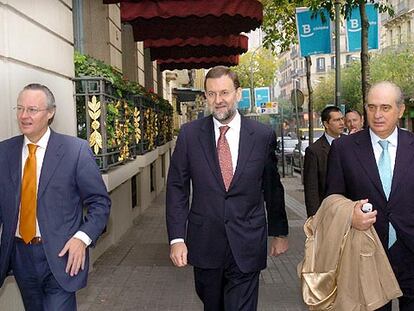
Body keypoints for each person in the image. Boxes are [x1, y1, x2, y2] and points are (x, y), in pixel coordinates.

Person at [166, 66, 289, 311]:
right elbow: (177, 188)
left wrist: (279, 232)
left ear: (238, 93)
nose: (218, 100)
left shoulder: (262, 135)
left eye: (224, 92)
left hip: (247, 243)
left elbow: (272, 187)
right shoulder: (190, 135)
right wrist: (177, 238)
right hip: (205, 243)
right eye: (211, 94)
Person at [0, 84, 111, 310]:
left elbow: (100, 203)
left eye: (32, 109)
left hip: (61, 256)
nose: (24, 116)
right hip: (20, 255)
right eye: (20, 108)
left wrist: (82, 237)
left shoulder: (75, 151)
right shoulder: (5, 152)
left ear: (50, 113)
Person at [325, 81, 414, 310]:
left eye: (385, 108)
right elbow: (331, 200)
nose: (377, 115)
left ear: (400, 110)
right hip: (366, 255)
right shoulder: (343, 149)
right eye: (372, 107)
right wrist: (349, 216)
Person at [303, 106, 344, 217]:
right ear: (326, 124)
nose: (341, 123)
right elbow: (311, 188)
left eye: (342, 119)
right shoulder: (314, 151)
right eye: (336, 120)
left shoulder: (349, 143)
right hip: (327, 211)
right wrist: (314, 218)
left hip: (349, 209)